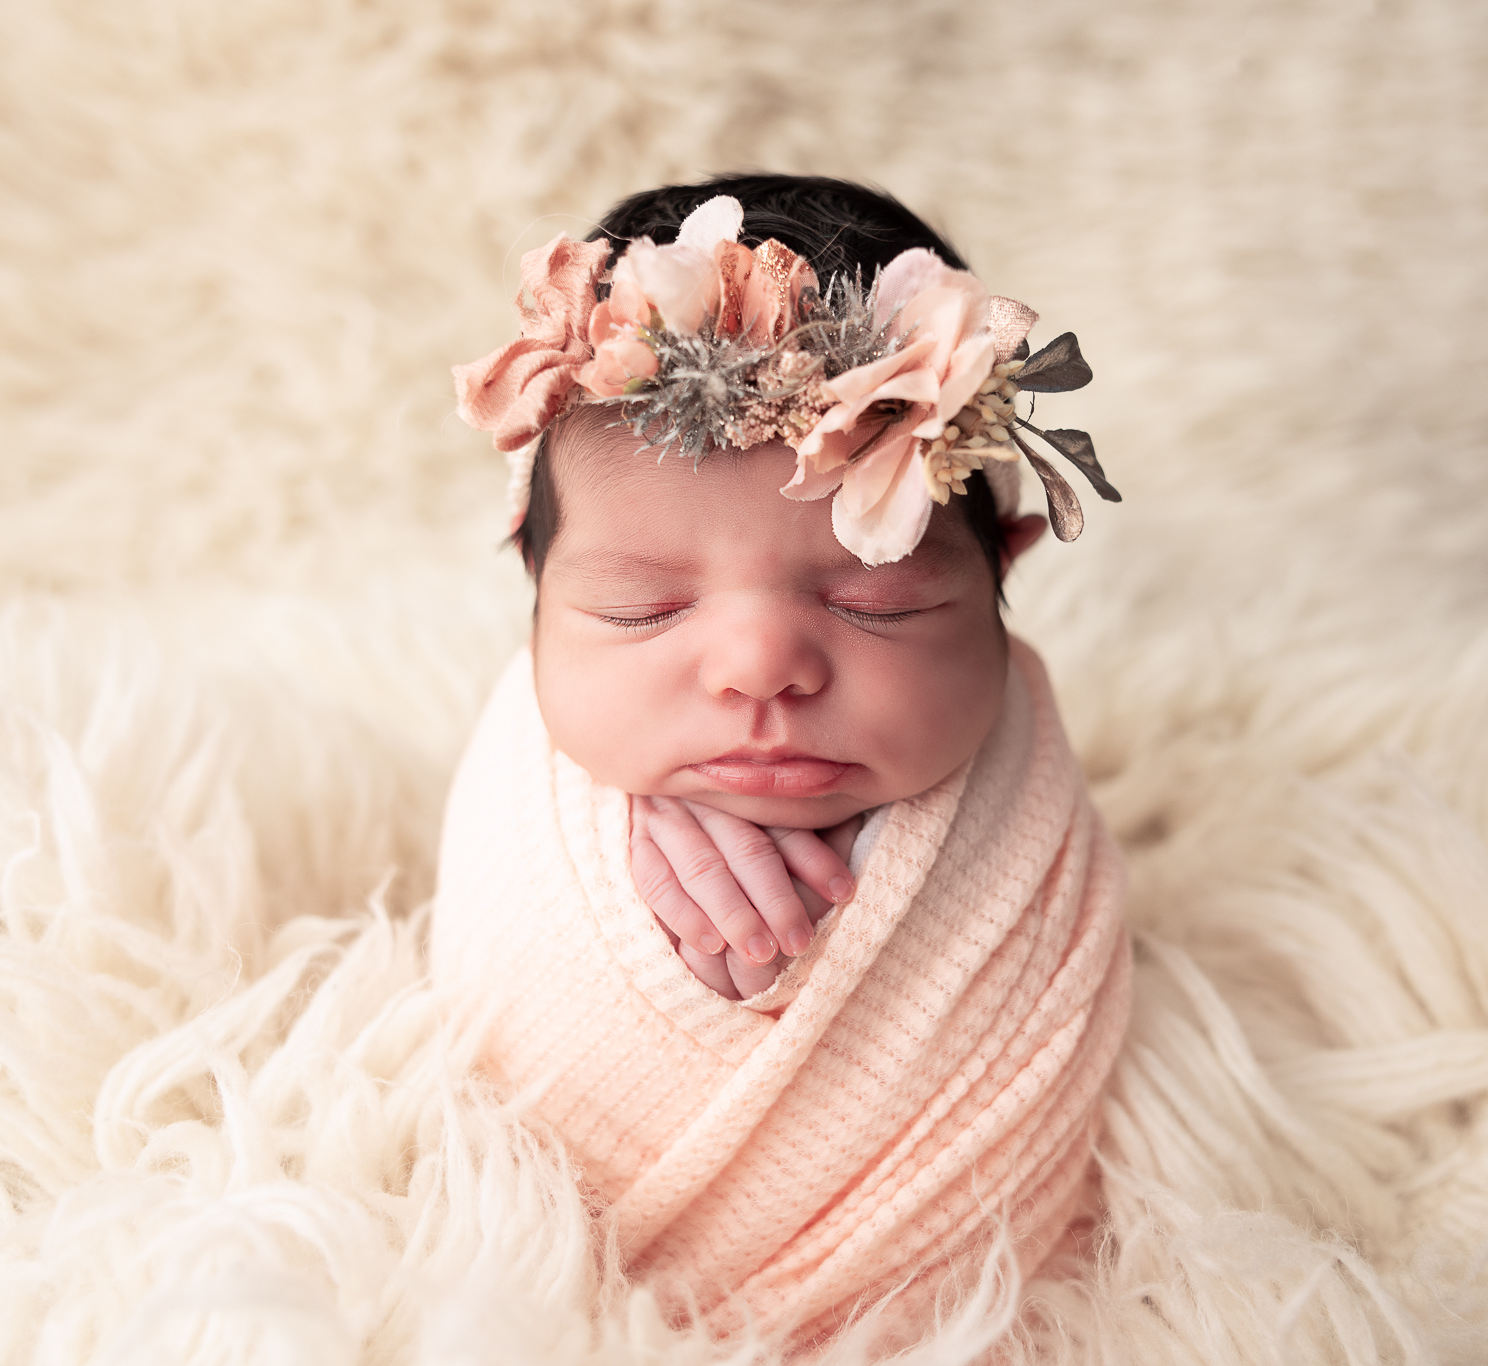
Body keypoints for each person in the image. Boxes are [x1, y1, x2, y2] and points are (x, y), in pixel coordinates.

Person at [440, 174, 1131, 1350]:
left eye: (875, 601)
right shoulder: (536, 784)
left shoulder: (1015, 798)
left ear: (1002, 575)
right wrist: (612, 856)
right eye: (641, 611)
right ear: (535, 586)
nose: (759, 671)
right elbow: (504, 992)